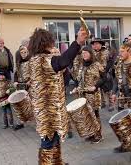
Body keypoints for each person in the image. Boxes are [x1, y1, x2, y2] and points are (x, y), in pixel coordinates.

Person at [28, 28, 87, 164]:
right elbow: (63, 61)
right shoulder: (43, 60)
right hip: (47, 112)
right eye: (51, 42)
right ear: (45, 43)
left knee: (54, 139)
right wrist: (78, 42)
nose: (53, 45)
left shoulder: (35, 60)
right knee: (48, 142)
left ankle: (57, 162)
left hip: (50, 109)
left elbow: (60, 68)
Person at [71, 47, 105, 144]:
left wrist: (95, 86)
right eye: (83, 53)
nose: (84, 55)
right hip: (82, 95)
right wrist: (76, 87)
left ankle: (98, 135)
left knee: (95, 114)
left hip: (93, 95)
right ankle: (91, 134)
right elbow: (78, 80)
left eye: (86, 53)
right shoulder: (81, 65)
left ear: (91, 54)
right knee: (86, 114)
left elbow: (104, 78)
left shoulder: (97, 65)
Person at [91, 38, 114, 111]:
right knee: (99, 89)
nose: (95, 45)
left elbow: (110, 62)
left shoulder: (107, 52)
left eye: (97, 44)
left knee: (108, 89)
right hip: (96, 74)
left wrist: (106, 71)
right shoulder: (92, 53)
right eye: (94, 44)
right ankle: (103, 103)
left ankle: (111, 104)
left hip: (105, 72)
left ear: (101, 44)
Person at [13, 45, 31, 130]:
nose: (23, 54)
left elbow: (35, 73)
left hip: (29, 85)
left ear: (27, 52)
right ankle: (21, 122)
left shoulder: (31, 61)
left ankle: (37, 122)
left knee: (31, 104)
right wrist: (15, 81)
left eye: (25, 52)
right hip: (20, 85)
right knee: (20, 104)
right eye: (21, 52)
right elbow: (16, 73)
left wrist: (30, 80)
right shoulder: (18, 62)